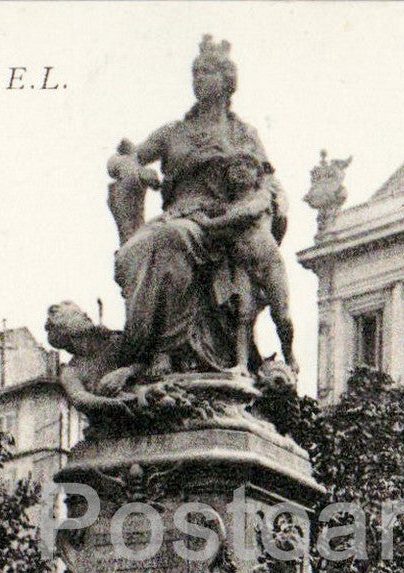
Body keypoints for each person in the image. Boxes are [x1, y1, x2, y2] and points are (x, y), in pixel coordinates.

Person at [112, 35, 288, 378]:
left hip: (221, 221)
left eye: (206, 72)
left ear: (227, 80)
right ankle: (139, 348)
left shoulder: (243, 134)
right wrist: (132, 169)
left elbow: (266, 184)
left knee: (176, 239)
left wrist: (247, 210)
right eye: (195, 72)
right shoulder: (173, 132)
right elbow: (121, 158)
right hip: (177, 213)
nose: (198, 79)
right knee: (135, 250)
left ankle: (165, 348)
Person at [198, 152, 295, 376]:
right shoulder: (225, 206)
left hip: (269, 262)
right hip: (243, 266)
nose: (239, 169)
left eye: (246, 165)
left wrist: (210, 224)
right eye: (234, 167)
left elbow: (246, 214)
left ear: (256, 175)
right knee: (243, 315)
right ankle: (241, 365)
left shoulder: (261, 196)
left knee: (282, 316)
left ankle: (289, 355)